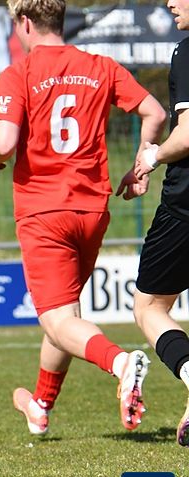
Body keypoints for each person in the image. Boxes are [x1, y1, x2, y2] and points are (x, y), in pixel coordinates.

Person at [0, 0, 167, 435]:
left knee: (57, 319)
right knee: (66, 315)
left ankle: (121, 363)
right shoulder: (100, 67)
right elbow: (155, 112)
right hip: (91, 210)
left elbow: (4, 143)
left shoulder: (18, 73)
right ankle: (40, 405)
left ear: (24, 22)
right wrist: (140, 168)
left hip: (44, 210)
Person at [131, 0, 189, 448]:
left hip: (185, 206)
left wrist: (152, 156)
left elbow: (187, 135)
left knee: (149, 307)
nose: (169, 2)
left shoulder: (187, 51)